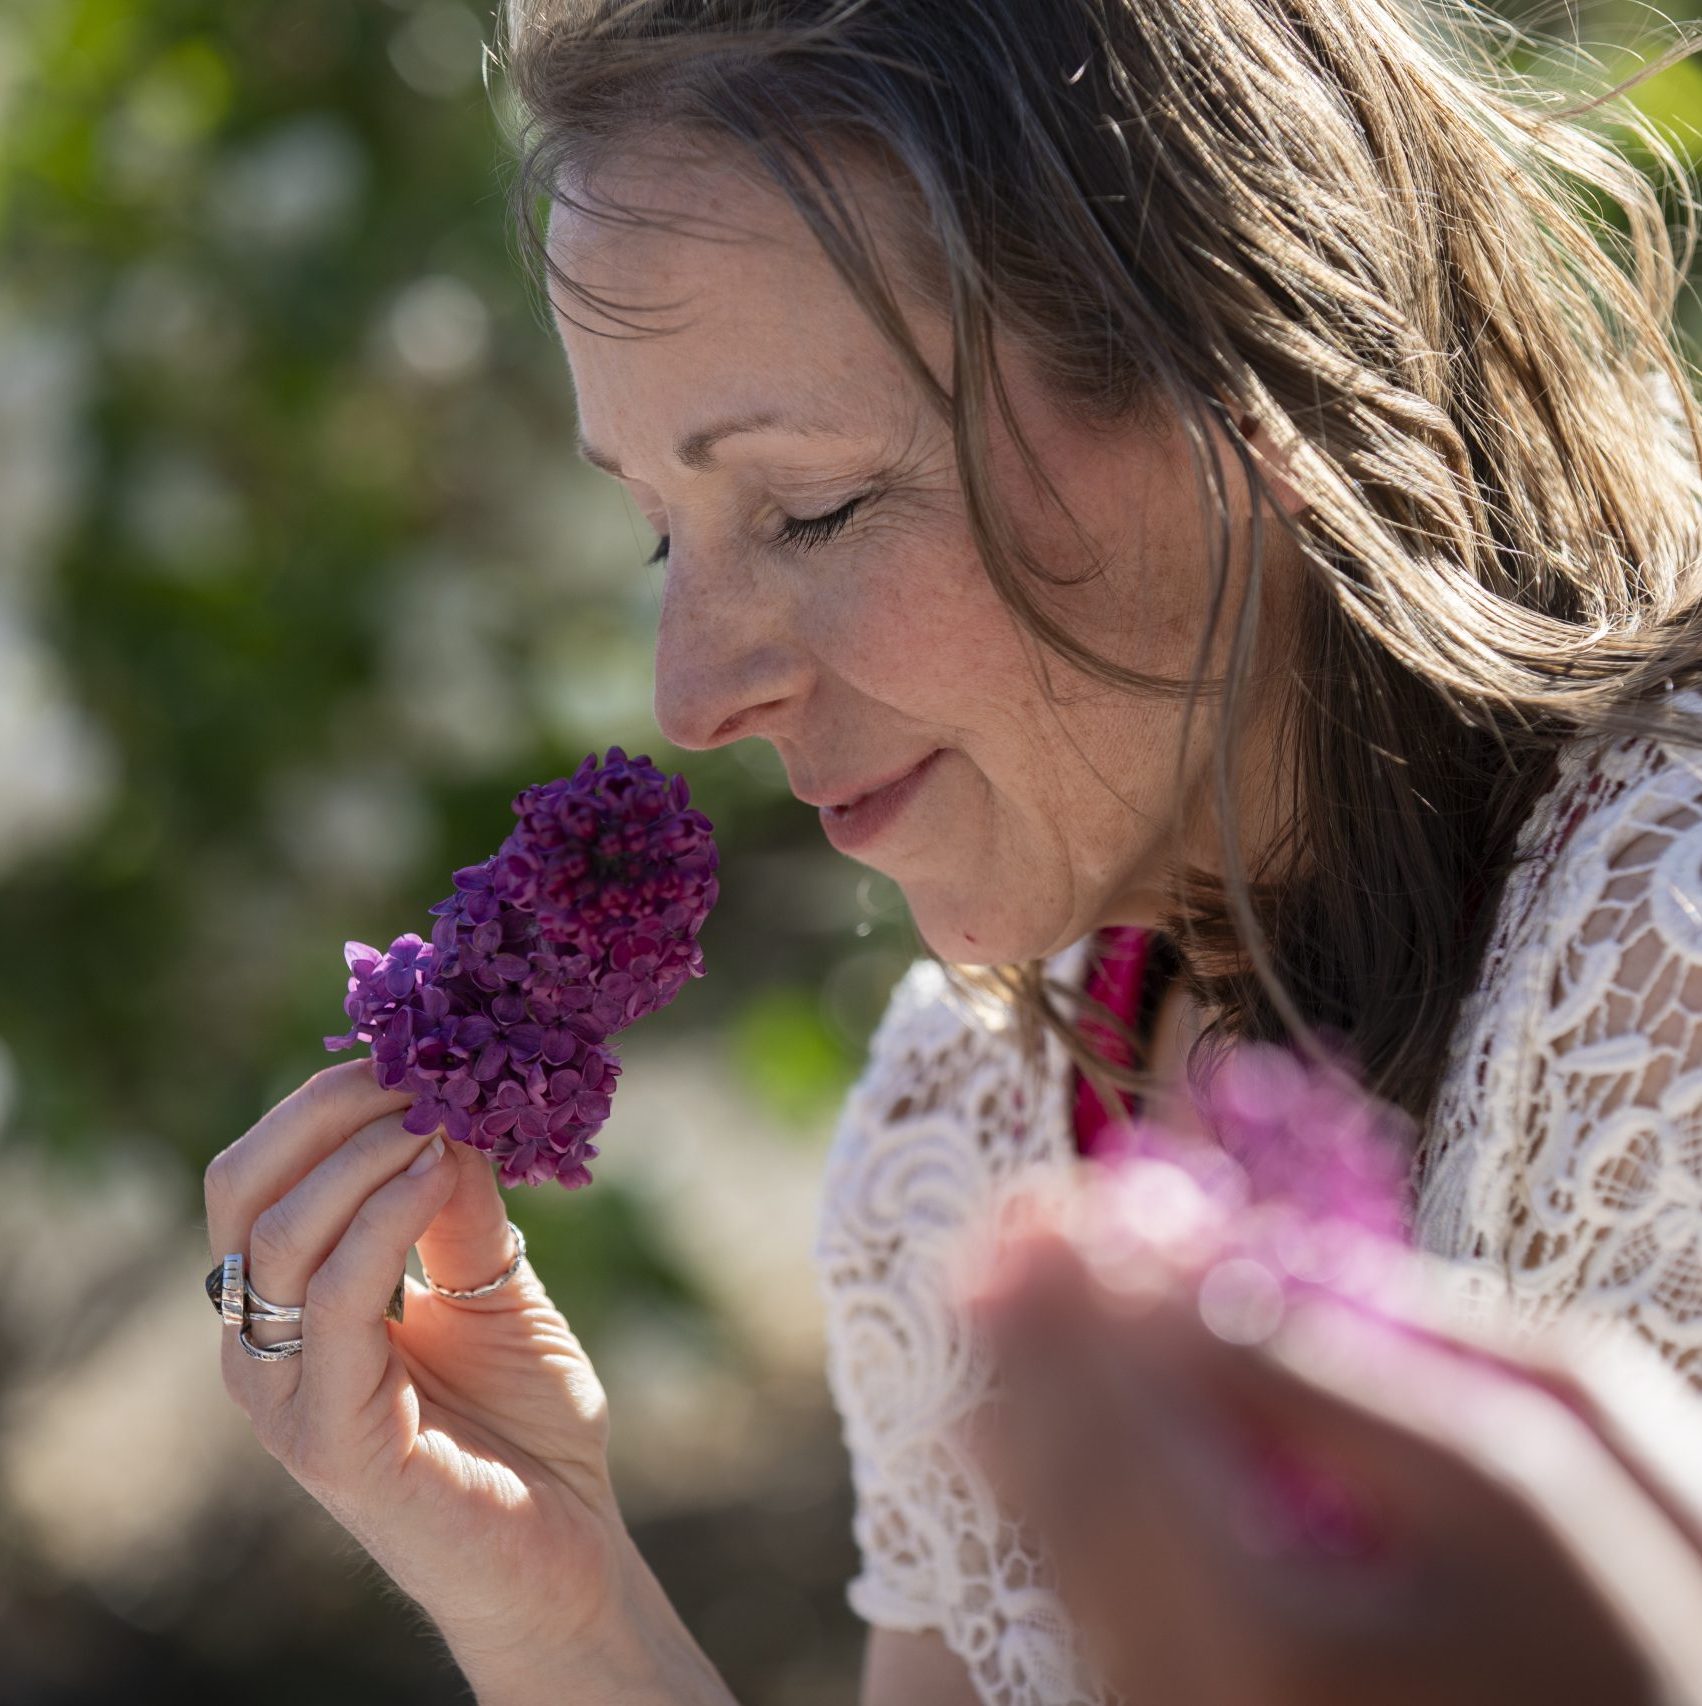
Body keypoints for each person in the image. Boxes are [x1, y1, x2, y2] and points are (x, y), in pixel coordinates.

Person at [203, 0, 1702, 1701]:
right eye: (652, 533)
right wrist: (556, 1601)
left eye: (814, 506)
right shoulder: (960, 1122)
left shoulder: (1663, 986)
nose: (690, 693)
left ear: (1248, 377)